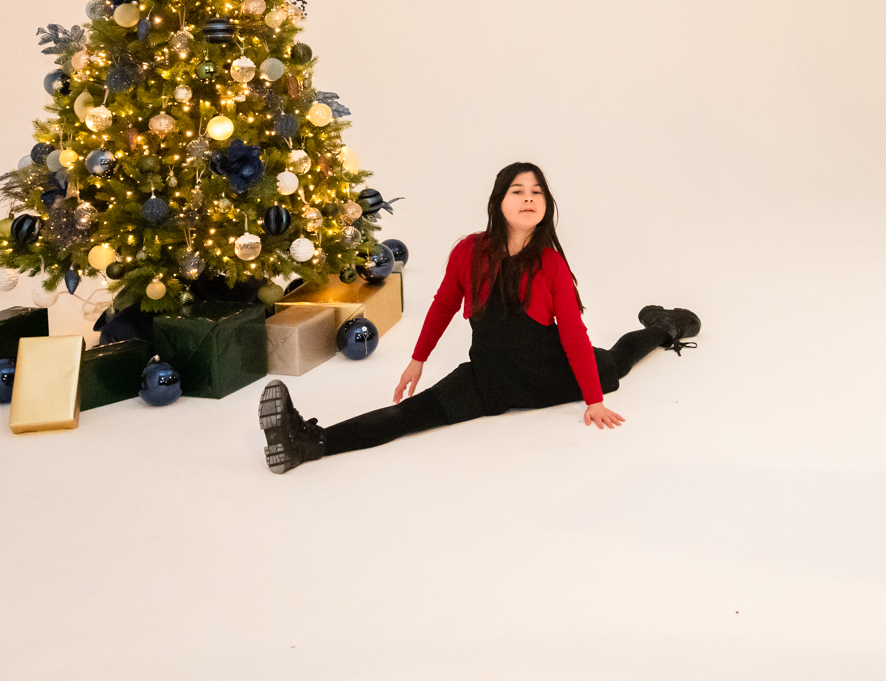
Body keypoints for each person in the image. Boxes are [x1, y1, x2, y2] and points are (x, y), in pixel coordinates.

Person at [259, 162, 700, 472]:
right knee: (409, 416)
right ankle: (309, 443)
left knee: (617, 362)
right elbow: (443, 305)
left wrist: (593, 400)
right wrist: (418, 359)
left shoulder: (550, 265)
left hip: (552, 374)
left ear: (546, 204)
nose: (529, 198)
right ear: (498, 200)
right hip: (487, 382)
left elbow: (574, 335)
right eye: (518, 191)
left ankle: (664, 327)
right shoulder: (469, 251)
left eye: (537, 192)